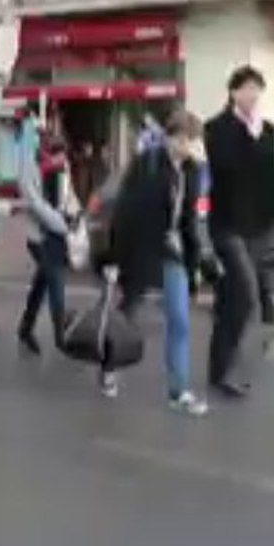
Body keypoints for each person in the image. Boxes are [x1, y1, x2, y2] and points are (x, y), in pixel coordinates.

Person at [107, 110, 221, 413]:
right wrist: (115, 257)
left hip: (174, 251)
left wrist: (195, 264)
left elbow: (190, 221)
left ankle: (178, 390)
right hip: (142, 248)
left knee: (180, 320)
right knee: (127, 313)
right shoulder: (147, 164)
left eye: (190, 140)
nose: (184, 146)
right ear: (169, 137)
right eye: (180, 139)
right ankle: (109, 365)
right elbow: (124, 213)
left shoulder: (194, 171)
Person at [204, 66, 274, 397]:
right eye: (248, 89)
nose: (253, 96)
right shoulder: (218, 128)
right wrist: (249, 137)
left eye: (258, 90)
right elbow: (223, 167)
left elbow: (271, 176)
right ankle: (228, 367)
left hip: (258, 225)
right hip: (227, 224)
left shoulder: (267, 129)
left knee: (230, 299)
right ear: (234, 92)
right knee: (246, 294)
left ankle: (219, 367)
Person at [17, 109, 73, 356]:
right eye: (56, 156)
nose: (61, 162)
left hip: (58, 234)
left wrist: (73, 214)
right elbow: (35, 203)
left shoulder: (62, 168)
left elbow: (68, 196)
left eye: (63, 157)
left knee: (42, 283)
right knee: (56, 282)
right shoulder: (29, 167)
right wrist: (61, 223)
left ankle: (25, 328)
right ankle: (62, 339)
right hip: (40, 236)